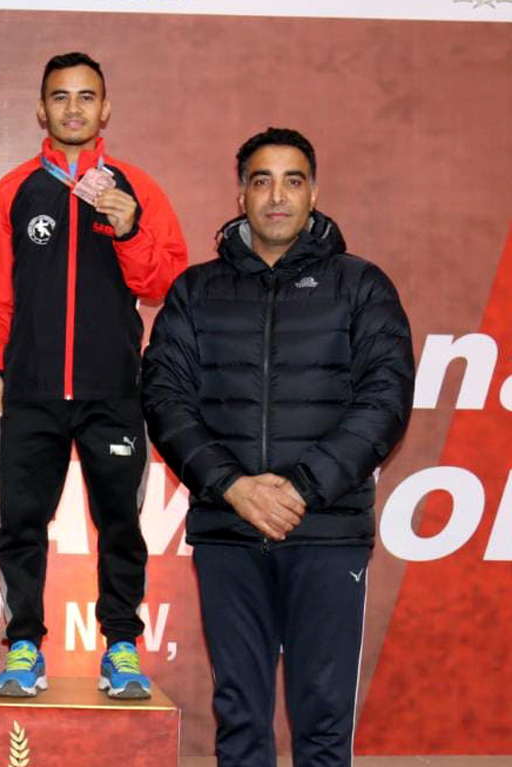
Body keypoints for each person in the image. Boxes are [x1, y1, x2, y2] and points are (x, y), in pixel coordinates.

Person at [141, 127, 414, 765]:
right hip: (229, 533)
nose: (277, 196)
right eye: (262, 181)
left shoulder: (361, 286)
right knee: (240, 721)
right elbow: (164, 398)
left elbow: (385, 399)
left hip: (326, 532)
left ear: (314, 192)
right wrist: (233, 487)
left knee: (323, 726)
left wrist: (301, 489)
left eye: (293, 181)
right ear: (242, 195)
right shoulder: (195, 291)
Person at [0, 51, 186, 699]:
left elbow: (166, 281)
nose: (73, 108)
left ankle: (120, 645)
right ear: (41, 109)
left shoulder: (135, 188)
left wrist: (128, 227)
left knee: (120, 521)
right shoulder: (12, 192)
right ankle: (23, 649)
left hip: (111, 389)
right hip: (31, 390)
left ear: (105, 109)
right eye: (60, 97)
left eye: (85, 97)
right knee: (21, 523)